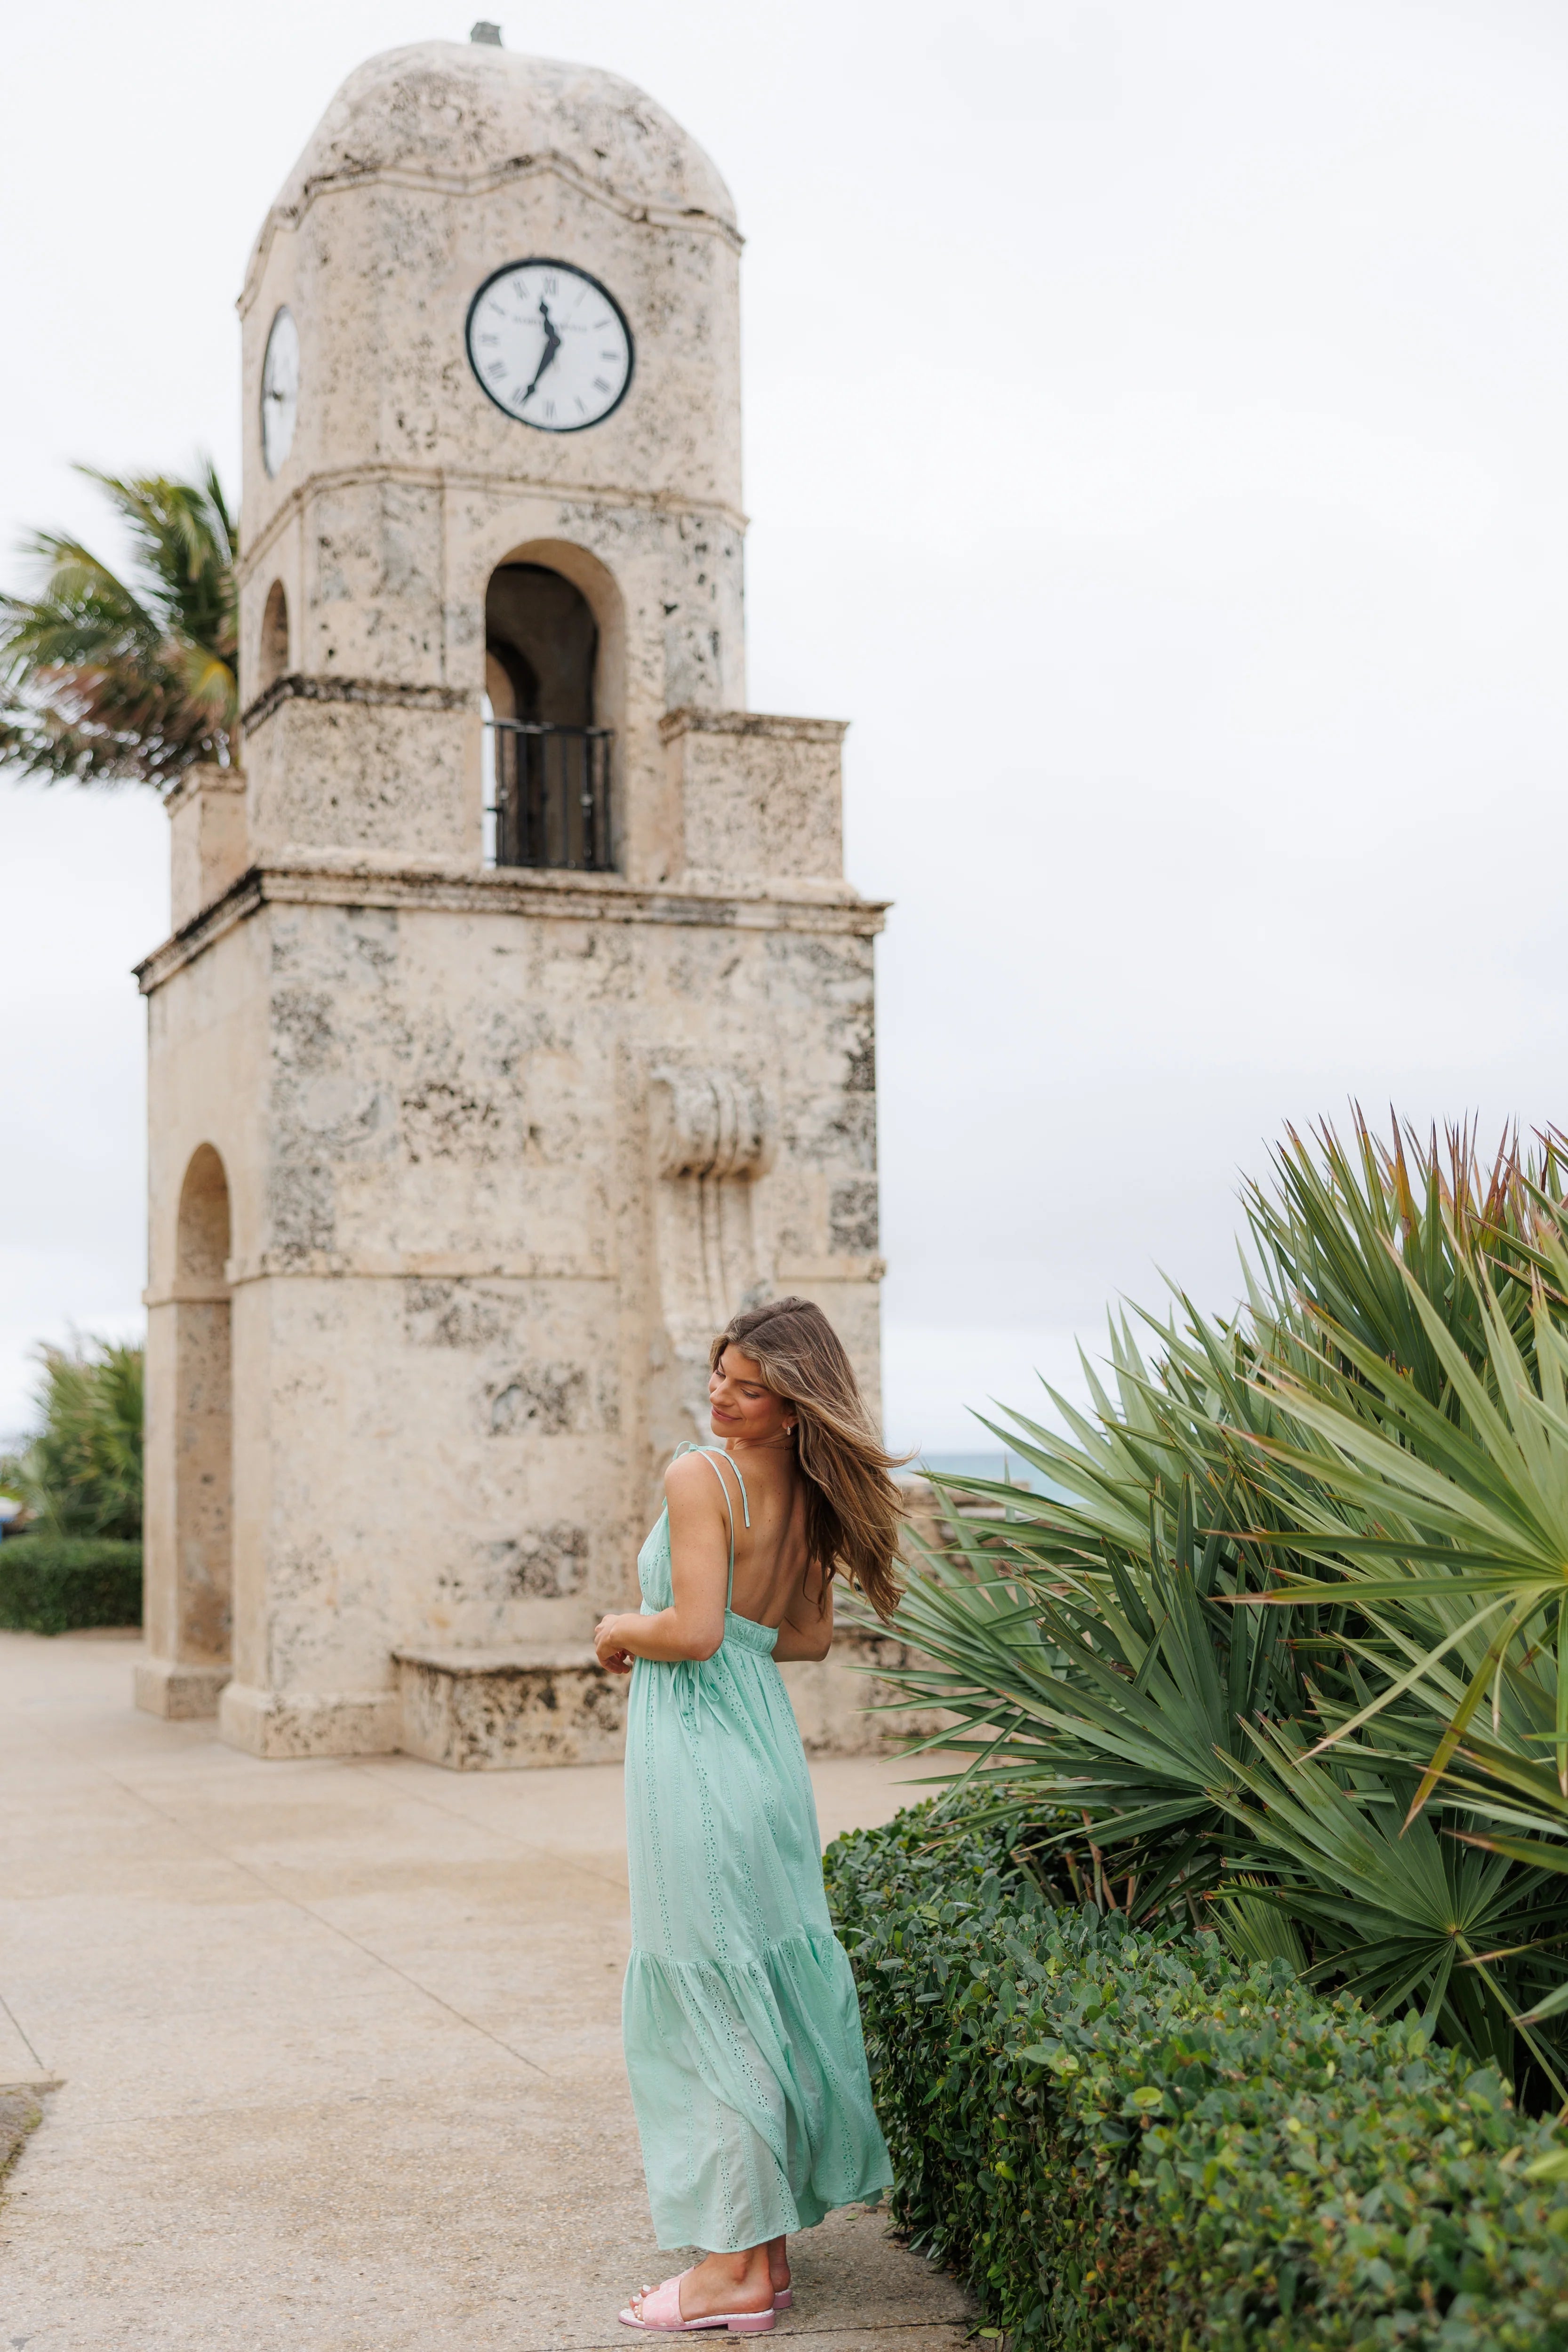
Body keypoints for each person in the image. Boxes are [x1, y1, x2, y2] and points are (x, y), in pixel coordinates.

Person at [594, 1296, 904, 2335]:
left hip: (693, 1752)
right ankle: (761, 2255)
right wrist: (720, 1633)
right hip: (762, 1751)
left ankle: (729, 2275)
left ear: (792, 1404)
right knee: (753, 1975)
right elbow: (804, 1640)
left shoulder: (699, 1476)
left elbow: (685, 1630)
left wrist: (617, 1628)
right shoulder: (813, 1496)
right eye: (722, 1374)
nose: (723, 1396)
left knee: (706, 1990)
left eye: (750, 1386)